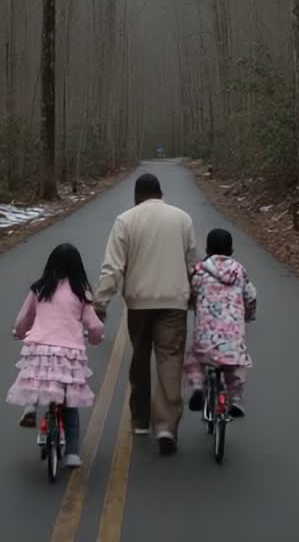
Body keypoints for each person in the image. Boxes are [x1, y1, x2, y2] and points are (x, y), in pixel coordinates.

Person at [94, 173, 198, 456]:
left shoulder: (125, 220)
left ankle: (140, 420)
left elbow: (112, 268)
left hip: (139, 304)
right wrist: (197, 299)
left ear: (137, 195)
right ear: (160, 192)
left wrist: (100, 303)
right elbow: (194, 265)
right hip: (174, 303)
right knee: (170, 360)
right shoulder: (182, 219)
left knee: (139, 357)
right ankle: (165, 426)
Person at [7, 243, 105, 469]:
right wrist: (95, 339)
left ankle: (31, 407)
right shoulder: (81, 294)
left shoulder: (39, 289)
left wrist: (19, 333)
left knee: (35, 379)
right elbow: (95, 327)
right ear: (77, 268)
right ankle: (72, 454)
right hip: (68, 354)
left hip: (40, 348)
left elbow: (24, 319)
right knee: (69, 404)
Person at [183, 229, 256, 418]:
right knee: (236, 365)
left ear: (207, 249)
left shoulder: (199, 271)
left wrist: (192, 304)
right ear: (231, 250)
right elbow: (250, 296)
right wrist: (249, 314)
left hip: (206, 336)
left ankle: (198, 387)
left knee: (194, 360)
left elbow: (190, 294)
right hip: (232, 337)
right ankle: (235, 399)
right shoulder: (239, 271)